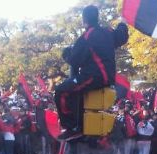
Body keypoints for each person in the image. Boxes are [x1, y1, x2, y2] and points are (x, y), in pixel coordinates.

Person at [55, 4, 128, 140]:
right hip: (106, 76)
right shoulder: (108, 32)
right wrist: (123, 23)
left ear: (84, 21)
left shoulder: (86, 37)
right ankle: (80, 126)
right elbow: (122, 36)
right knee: (75, 91)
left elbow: (74, 60)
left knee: (61, 91)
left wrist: (66, 54)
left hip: (95, 76)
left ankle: (72, 128)